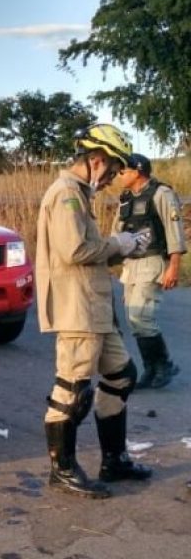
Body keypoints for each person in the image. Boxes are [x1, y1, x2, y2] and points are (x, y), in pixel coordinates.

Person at [36, 123, 153, 499]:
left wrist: (125, 247)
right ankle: (63, 469)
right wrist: (119, 243)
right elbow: (74, 251)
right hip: (78, 307)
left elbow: (87, 249)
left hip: (96, 306)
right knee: (73, 389)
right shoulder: (66, 194)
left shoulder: (79, 194)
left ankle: (113, 460)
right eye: (115, 169)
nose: (114, 178)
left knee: (122, 376)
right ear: (96, 160)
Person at [112, 153, 186, 389]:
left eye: (124, 171)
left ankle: (164, 365)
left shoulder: (161, 193)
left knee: (141, 317)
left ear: (138, 171)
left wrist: (174, 267)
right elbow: (118, 235)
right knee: (134, 319)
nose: (119, 175)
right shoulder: (125, 198)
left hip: (153, 260)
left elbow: (174, 230)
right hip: (132, 264)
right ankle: (152, 369)